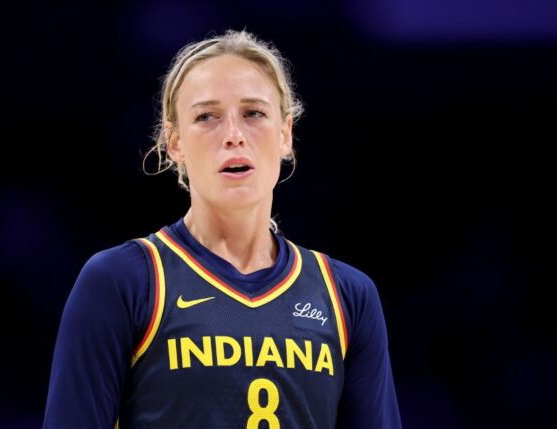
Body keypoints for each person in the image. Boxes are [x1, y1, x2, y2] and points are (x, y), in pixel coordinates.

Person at [43, 29, 402, 428]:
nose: (233, 136)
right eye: (206, 117)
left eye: (253, 113)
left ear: (285, 134)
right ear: (174, 142)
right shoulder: (123, 281)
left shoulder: (347, 296)